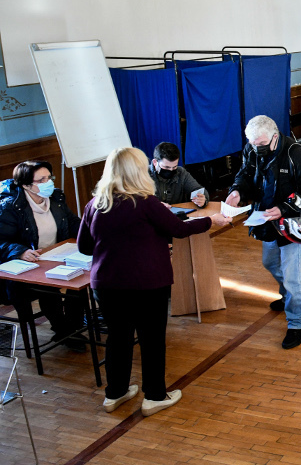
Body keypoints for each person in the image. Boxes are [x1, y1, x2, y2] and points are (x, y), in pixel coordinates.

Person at [78, 148, 230, 416]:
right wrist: (210, 220)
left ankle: (115, 393)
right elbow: (179, 229)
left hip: (107, 284)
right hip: (147, 283)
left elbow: (84, 247)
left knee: (118, 338)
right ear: (138, 171)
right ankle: (155, 396)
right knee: (151, 339)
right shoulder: (145, 202)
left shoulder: (96, 204)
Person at [226, 115, 301, 350]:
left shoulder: (297, 154)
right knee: (270, 263)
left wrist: (282, 209)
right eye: (252, 143)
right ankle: (290, 295)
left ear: (275, 137)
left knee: (291, 275)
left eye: (261, 144)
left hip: (291, 222)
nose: (256, 149)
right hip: (265, 219)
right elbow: (246, 174)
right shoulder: (252, 147)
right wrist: (237, 191)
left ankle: (298, 323)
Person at [0, 160, 86, 352]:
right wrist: (20, 251)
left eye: (49, 177)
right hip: (31, 265)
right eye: (42, 180)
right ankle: (63, 330)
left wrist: (92, 234)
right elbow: (1, 241)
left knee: (82, 279)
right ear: (25, 185)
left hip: (58, 254)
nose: (49, 183)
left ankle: (73, 327)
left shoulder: (55, 197)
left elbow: (73, 223)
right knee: (50, 289)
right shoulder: (10, 207)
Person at [147, 142, 207, 207]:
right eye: (166, 167)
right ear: (155, 162)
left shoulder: (181, 172)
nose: (171, 170)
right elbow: (136, 201)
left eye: (174, 167)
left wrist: (202, 199)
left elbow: (198, 189)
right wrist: (154, 205)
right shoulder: (142, 174)